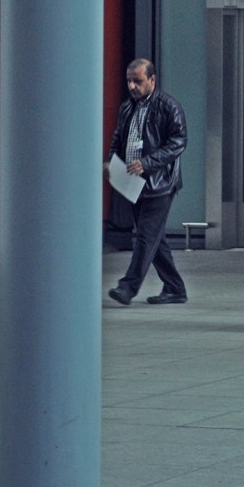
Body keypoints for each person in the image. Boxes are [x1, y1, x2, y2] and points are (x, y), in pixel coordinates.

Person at [105, 58, 190, 306]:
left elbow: (178, 142)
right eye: (129, 81)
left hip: (160, 183)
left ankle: (127, 288)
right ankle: (175, 288)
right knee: (154, 237)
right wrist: (111, 160)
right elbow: (118, 138)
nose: (132, 86)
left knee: (144, 235)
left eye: (138, 81)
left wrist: (148, 163)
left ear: (152, 80)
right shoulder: (127, 107)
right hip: (132, 182)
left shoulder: (168, 106)